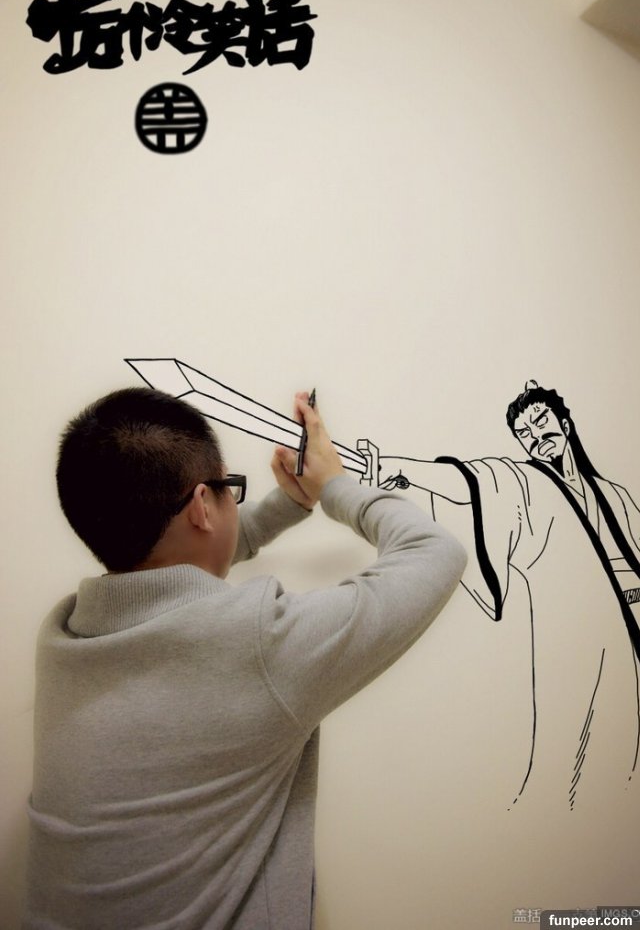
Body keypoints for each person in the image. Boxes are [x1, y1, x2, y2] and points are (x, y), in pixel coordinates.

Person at [24, 386, 466, 930]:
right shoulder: (258, 643)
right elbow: (435, 552)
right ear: (201, 507)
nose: (234, 503)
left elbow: (174, 563)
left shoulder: (65, 635)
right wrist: (335, 486)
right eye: (228, 490)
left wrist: (289, 504)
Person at [379, 381, 640, 810]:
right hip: (605, 641)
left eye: (541, 421)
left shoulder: (611, 493)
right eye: (524, 434)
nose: (535, 436)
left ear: (564, 423)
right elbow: (478, 480)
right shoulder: (531, 483)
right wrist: (404, 468)